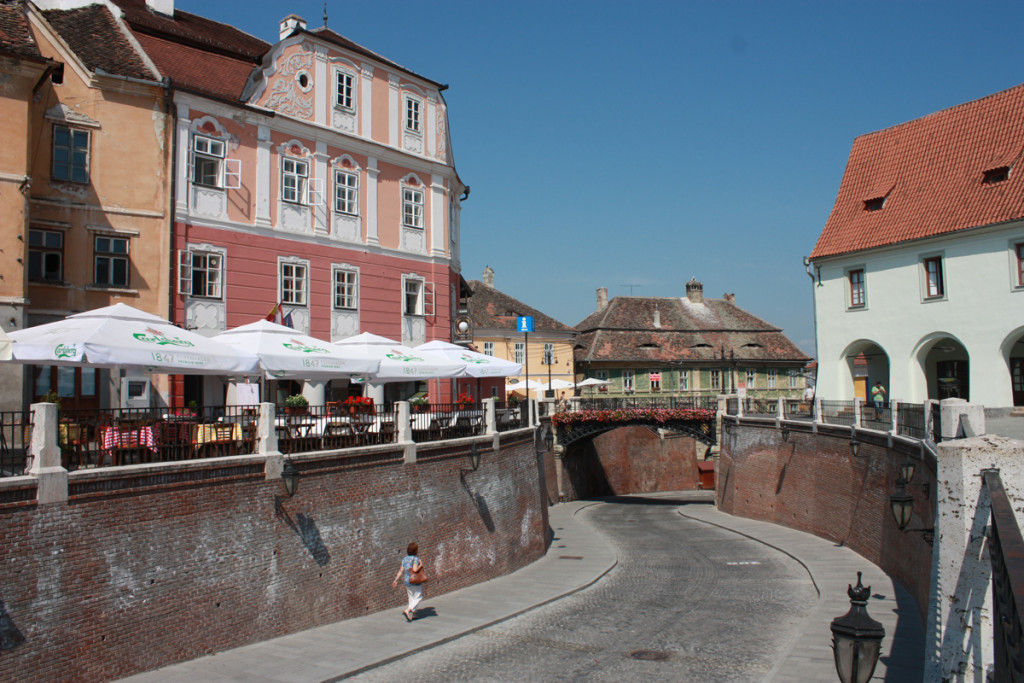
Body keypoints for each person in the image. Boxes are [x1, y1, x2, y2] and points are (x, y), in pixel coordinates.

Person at [392, 541, 423, 622]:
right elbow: (415, 570)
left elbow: (400, 571)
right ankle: (408, 610)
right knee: (418, 597)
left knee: (411, 597)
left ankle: (414, 615)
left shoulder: (404, 559)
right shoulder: (415, 559)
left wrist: (395, 580)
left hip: (407, 581)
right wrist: (421, 565)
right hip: (414, 581)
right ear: (415, 551)